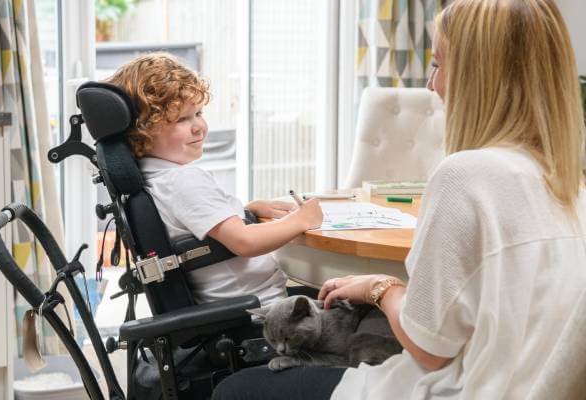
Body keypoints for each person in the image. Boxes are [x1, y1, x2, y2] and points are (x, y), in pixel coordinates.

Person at [212, 0, 586, 398]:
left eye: (438, 65)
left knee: (234, 390)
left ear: (480, 78)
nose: (431, 85)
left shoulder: (464, 176)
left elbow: (430, 350)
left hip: (458, 388)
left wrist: (382, 288)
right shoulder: (569, 186)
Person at [106, 53, 323, 305]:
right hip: (265, 310)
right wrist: (302, 219)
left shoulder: (153, 177)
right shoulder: (182, 180)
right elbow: (245, 242)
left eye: (199, 113)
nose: (199, 126)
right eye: (182, 119)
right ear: (143, 129)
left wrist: (242, 212)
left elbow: (192, 225)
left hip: (241, 305)